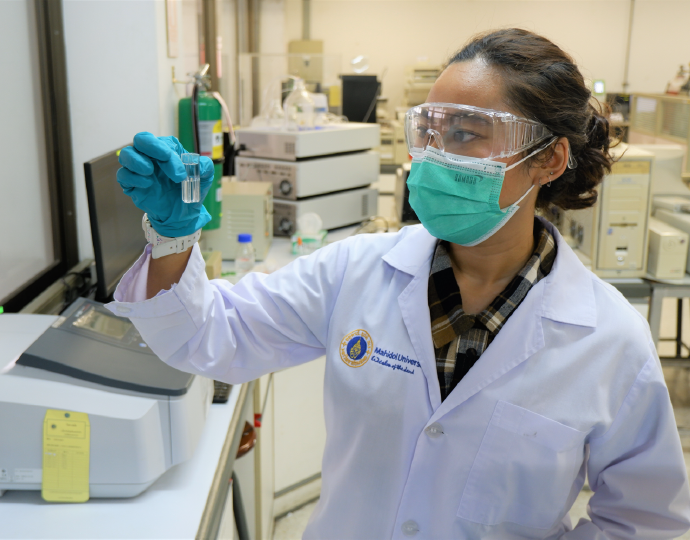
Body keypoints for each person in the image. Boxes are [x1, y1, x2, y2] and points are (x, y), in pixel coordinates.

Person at [110, 28, 690, 539]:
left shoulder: (611, 339)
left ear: (549, 159)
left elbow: (645, 520)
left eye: (466, 133)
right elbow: (210, 336)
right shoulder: (354, 270)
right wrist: (174, 236)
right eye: (430, 130)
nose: (434, 157)